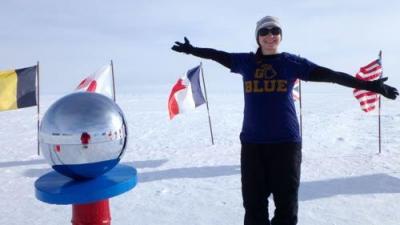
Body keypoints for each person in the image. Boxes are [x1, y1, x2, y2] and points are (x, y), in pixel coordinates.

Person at [171, 15, 398, 225]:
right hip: (252, 145)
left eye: (275, 31)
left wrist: (369, 85)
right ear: (258, 38)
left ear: (280, 35)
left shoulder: (292, 63)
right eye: (265, 31)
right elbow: (218, 55)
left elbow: (333, 76)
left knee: (286, 209)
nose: (270, 35)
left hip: (286, 144)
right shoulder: (246, 62)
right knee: (253, 207)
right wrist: (193, 50)